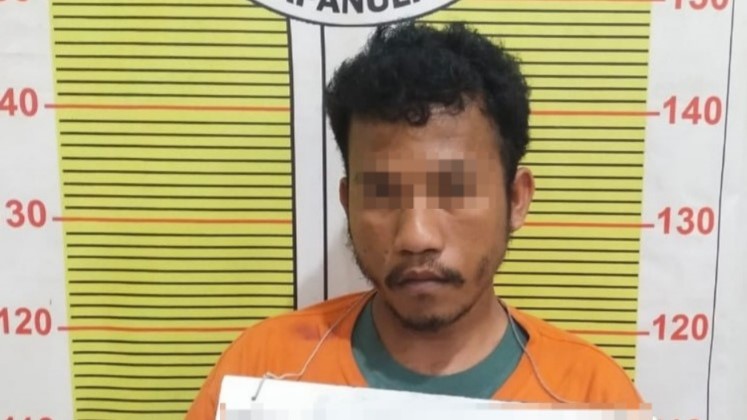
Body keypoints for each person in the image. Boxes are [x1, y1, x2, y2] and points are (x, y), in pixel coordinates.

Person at [185, 21, 643, 419]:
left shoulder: (591, 396)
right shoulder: (262, 373)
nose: (416, 236)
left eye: (455, 190)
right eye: (381, 194)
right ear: (348, 203)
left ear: (516, 199)